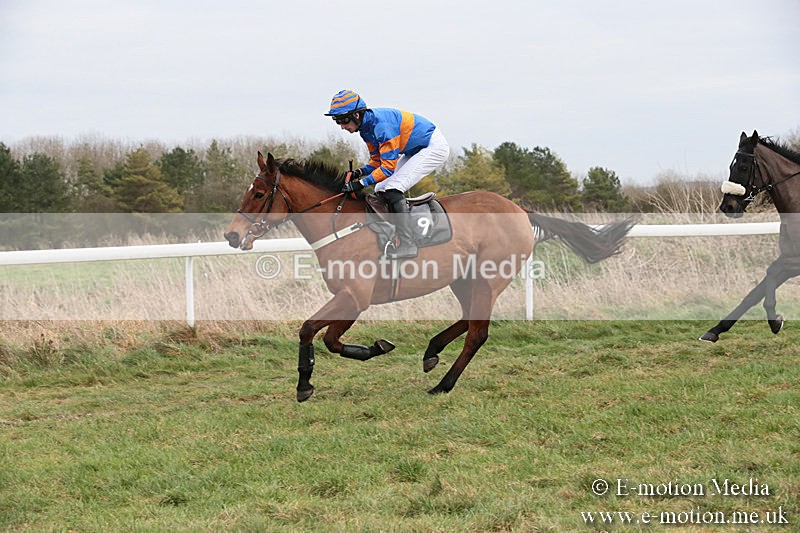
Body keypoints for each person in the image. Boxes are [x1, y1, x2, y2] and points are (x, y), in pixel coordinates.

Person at [324, 89, 450, 259]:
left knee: (393, 187)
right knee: (381, 187)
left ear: (357, 115)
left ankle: (408, 244)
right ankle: (392, 234)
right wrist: (359, 173)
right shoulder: (365, 129)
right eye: (336, 120)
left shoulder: (382, 126)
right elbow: (377, 162)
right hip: (414, 150)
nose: (342, 126)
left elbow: (388, 168)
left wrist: (360, 184)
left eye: (343, 120)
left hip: (432, 147)